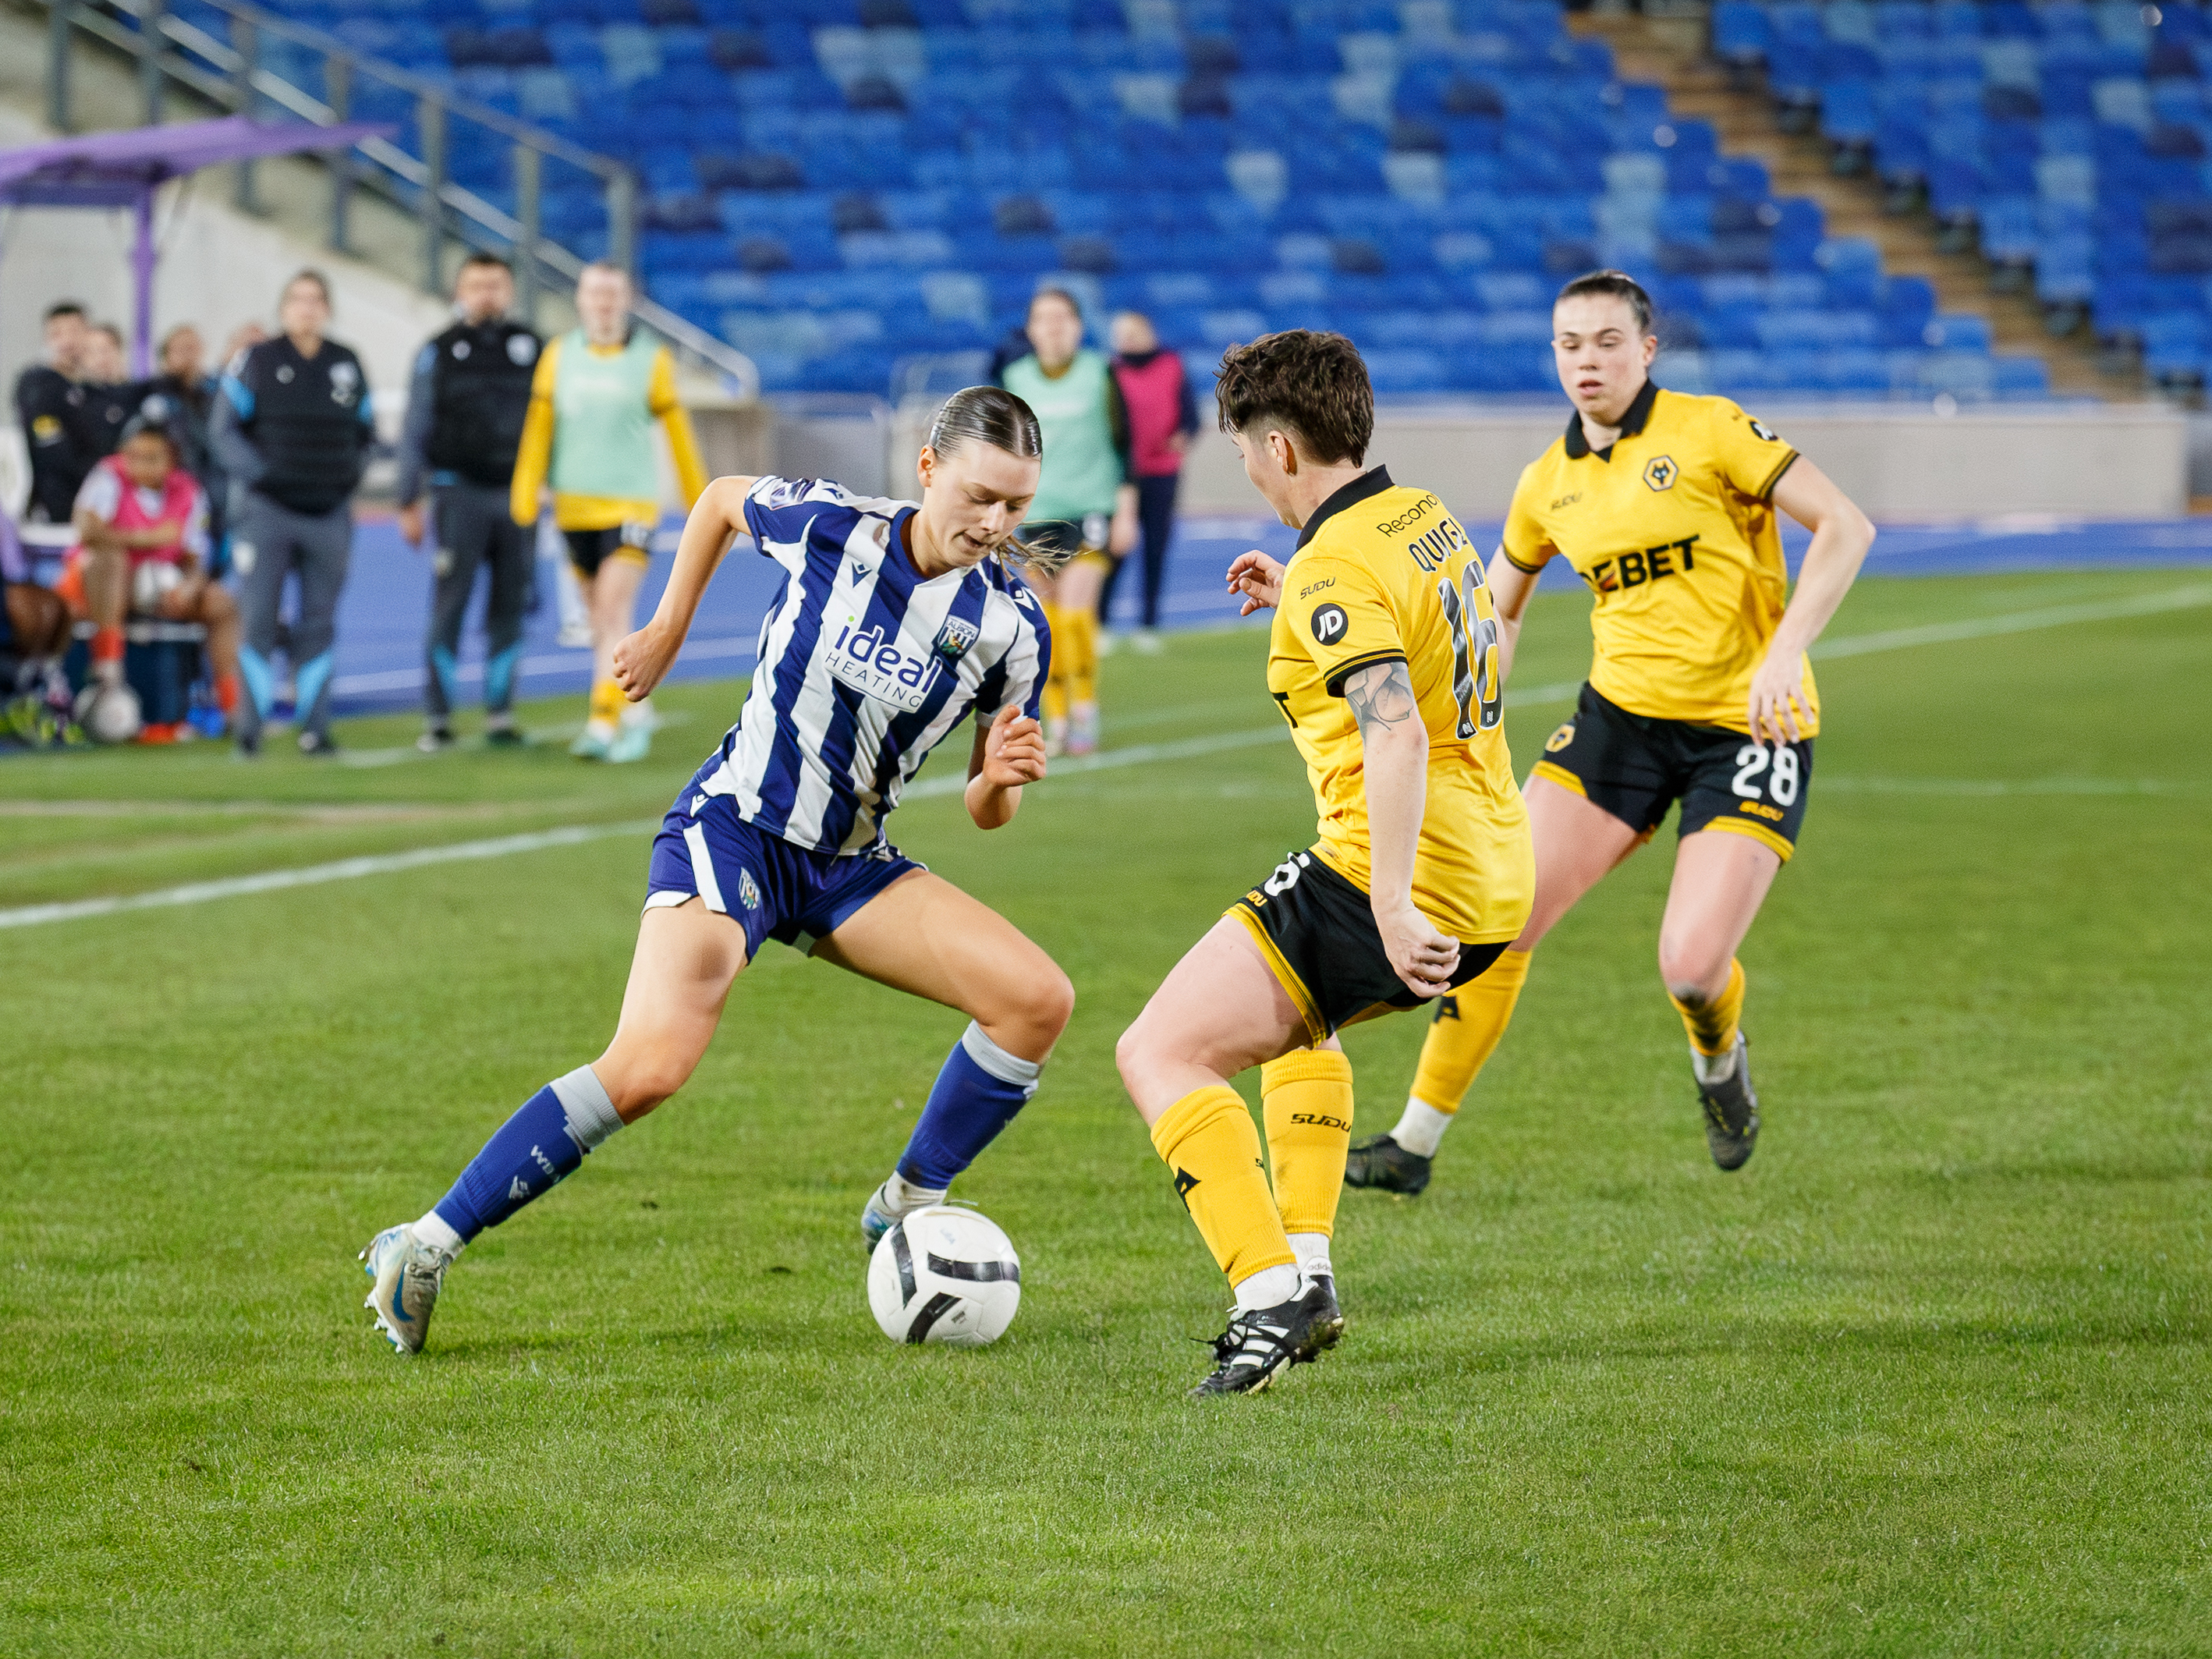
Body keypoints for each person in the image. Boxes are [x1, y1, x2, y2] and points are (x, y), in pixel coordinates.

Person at [359, 387, 1071, 1356]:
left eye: (1016, 506)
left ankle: (906, 1205)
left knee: (1034, 1002)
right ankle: (423, 1245)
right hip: (734, 829)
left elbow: (990, 808)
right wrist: (667, 628)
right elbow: (719, 499)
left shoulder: (1012, 626)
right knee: (652, 1065)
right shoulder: (832, 526)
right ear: (927, 468)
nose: (994, 524)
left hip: (847, 865)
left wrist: (998, 780)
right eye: (979, 496)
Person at [1345, 270, 1876, 1196]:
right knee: (1502, 916)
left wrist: (1785, 652)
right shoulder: (1545, 484)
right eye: (1568, 345)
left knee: (1691, 967)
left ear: (1646, 350)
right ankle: (1414, 1144)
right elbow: (1499, 613)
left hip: (1747, 728)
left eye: (1605, 342)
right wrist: (1466, 709)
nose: (1585, 361)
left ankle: (1718, 1059)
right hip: (1617, 725)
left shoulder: (1710, 429)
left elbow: (1845, 525)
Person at [1113, 331, 1535, 1396]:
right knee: (1302, 1019)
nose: (1248, 471)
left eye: (1245, 452)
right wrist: (1304, 588)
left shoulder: (1337, 567)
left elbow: (1394, 727)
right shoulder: (1421, 515)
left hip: (1402, 878)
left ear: (1282, 449)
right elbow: (1439, 644)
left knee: (1159, 1050)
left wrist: (1388, 903)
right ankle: (1306, 1269)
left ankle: (1268, 1296)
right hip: (1494, 866)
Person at [509, 261, 707, 763]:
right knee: (600, 621)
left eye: (612, 294)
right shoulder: (559, 355)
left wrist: (700, 501)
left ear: (628, 301)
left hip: (630, 507)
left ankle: (603, 720)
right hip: (574, 509)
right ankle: (638, 712)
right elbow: (539, 426)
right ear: (579, 300)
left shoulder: (650, 359)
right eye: (595, 293)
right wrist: (525, 490)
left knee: (614, 610)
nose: (603, 303)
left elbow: (679, 434)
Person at [212, 268, 376, 757]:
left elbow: (367, 433)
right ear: (283, 309)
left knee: (319, 622)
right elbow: (222, 430)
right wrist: (260, 475)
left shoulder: (346, 363)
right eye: (298, 300)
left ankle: (315, 729)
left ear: (327, 309)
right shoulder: (256, 360)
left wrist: (349, 476)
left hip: (329, 513)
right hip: (268, 512)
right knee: (259, 619)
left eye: (315, 300)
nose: (307, 309)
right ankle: (250, 731)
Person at [396, 252, 542, 750]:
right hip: (457, 493)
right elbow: (416, 423)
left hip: (517, 497)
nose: (486, 294)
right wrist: (407, 497)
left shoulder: (533, 347)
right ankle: (438, 717)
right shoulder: (438, 350)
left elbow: (554, 420)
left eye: (495, 285)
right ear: (459, 292)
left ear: (510, 291)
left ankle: (500, 714)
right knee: (450, 604)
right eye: (477, 285)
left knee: (510, 605)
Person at [998, 286, 1135, 757]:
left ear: (1078, 326)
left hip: (1091, 509)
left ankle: (1085, 713)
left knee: (1077, 611)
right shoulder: (1014, 378)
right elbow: (1002, 449)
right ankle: (1054, 720)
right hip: (1035, 514)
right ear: (1031, 329)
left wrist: (1127, 508)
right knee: (1047, 619)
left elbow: (1125, 440)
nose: (1054, 327)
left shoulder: (1100, 372)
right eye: (1044, 318)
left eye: (1063, 318)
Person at [64, 415, 242, 739]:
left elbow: (196, 556)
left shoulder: (188, 490)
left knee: (222, 603)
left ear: (171, 459)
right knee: (111, 562)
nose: (140, 466)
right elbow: (86, 529)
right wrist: (146, 538)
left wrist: (190, 587)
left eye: (151, 458)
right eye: (133, 456)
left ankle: (235, 709)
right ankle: (109, 679)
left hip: (156, 585)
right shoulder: (109, 475)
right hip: (97, 585)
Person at [1101, 310, 1197, 654]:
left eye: (1132, 332)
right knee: (1114, 549)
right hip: (1122, 475)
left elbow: (1190, 415)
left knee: (1156, 549)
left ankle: (1148, 624)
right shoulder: (1110, 371)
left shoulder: (1172, 365)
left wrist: (1183, 435)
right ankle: (1101, 622)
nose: (1126, 339)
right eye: (1120, 333)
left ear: (1149, 332)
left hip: (1162, 472)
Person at [129, 325, 230, 560]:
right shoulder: (150, 394)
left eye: (192, 348)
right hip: (170, 488)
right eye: (180, 349)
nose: (188, 355)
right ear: (166, 357)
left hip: (217, 487)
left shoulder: (219, 392)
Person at [15, 302, 95, 524]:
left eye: (74, 331)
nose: (67, 341)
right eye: (57, 333)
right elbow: (52, 449)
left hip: (93, 502)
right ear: (46, 339)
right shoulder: (38, 383)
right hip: (57, 504)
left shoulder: (91, 388)